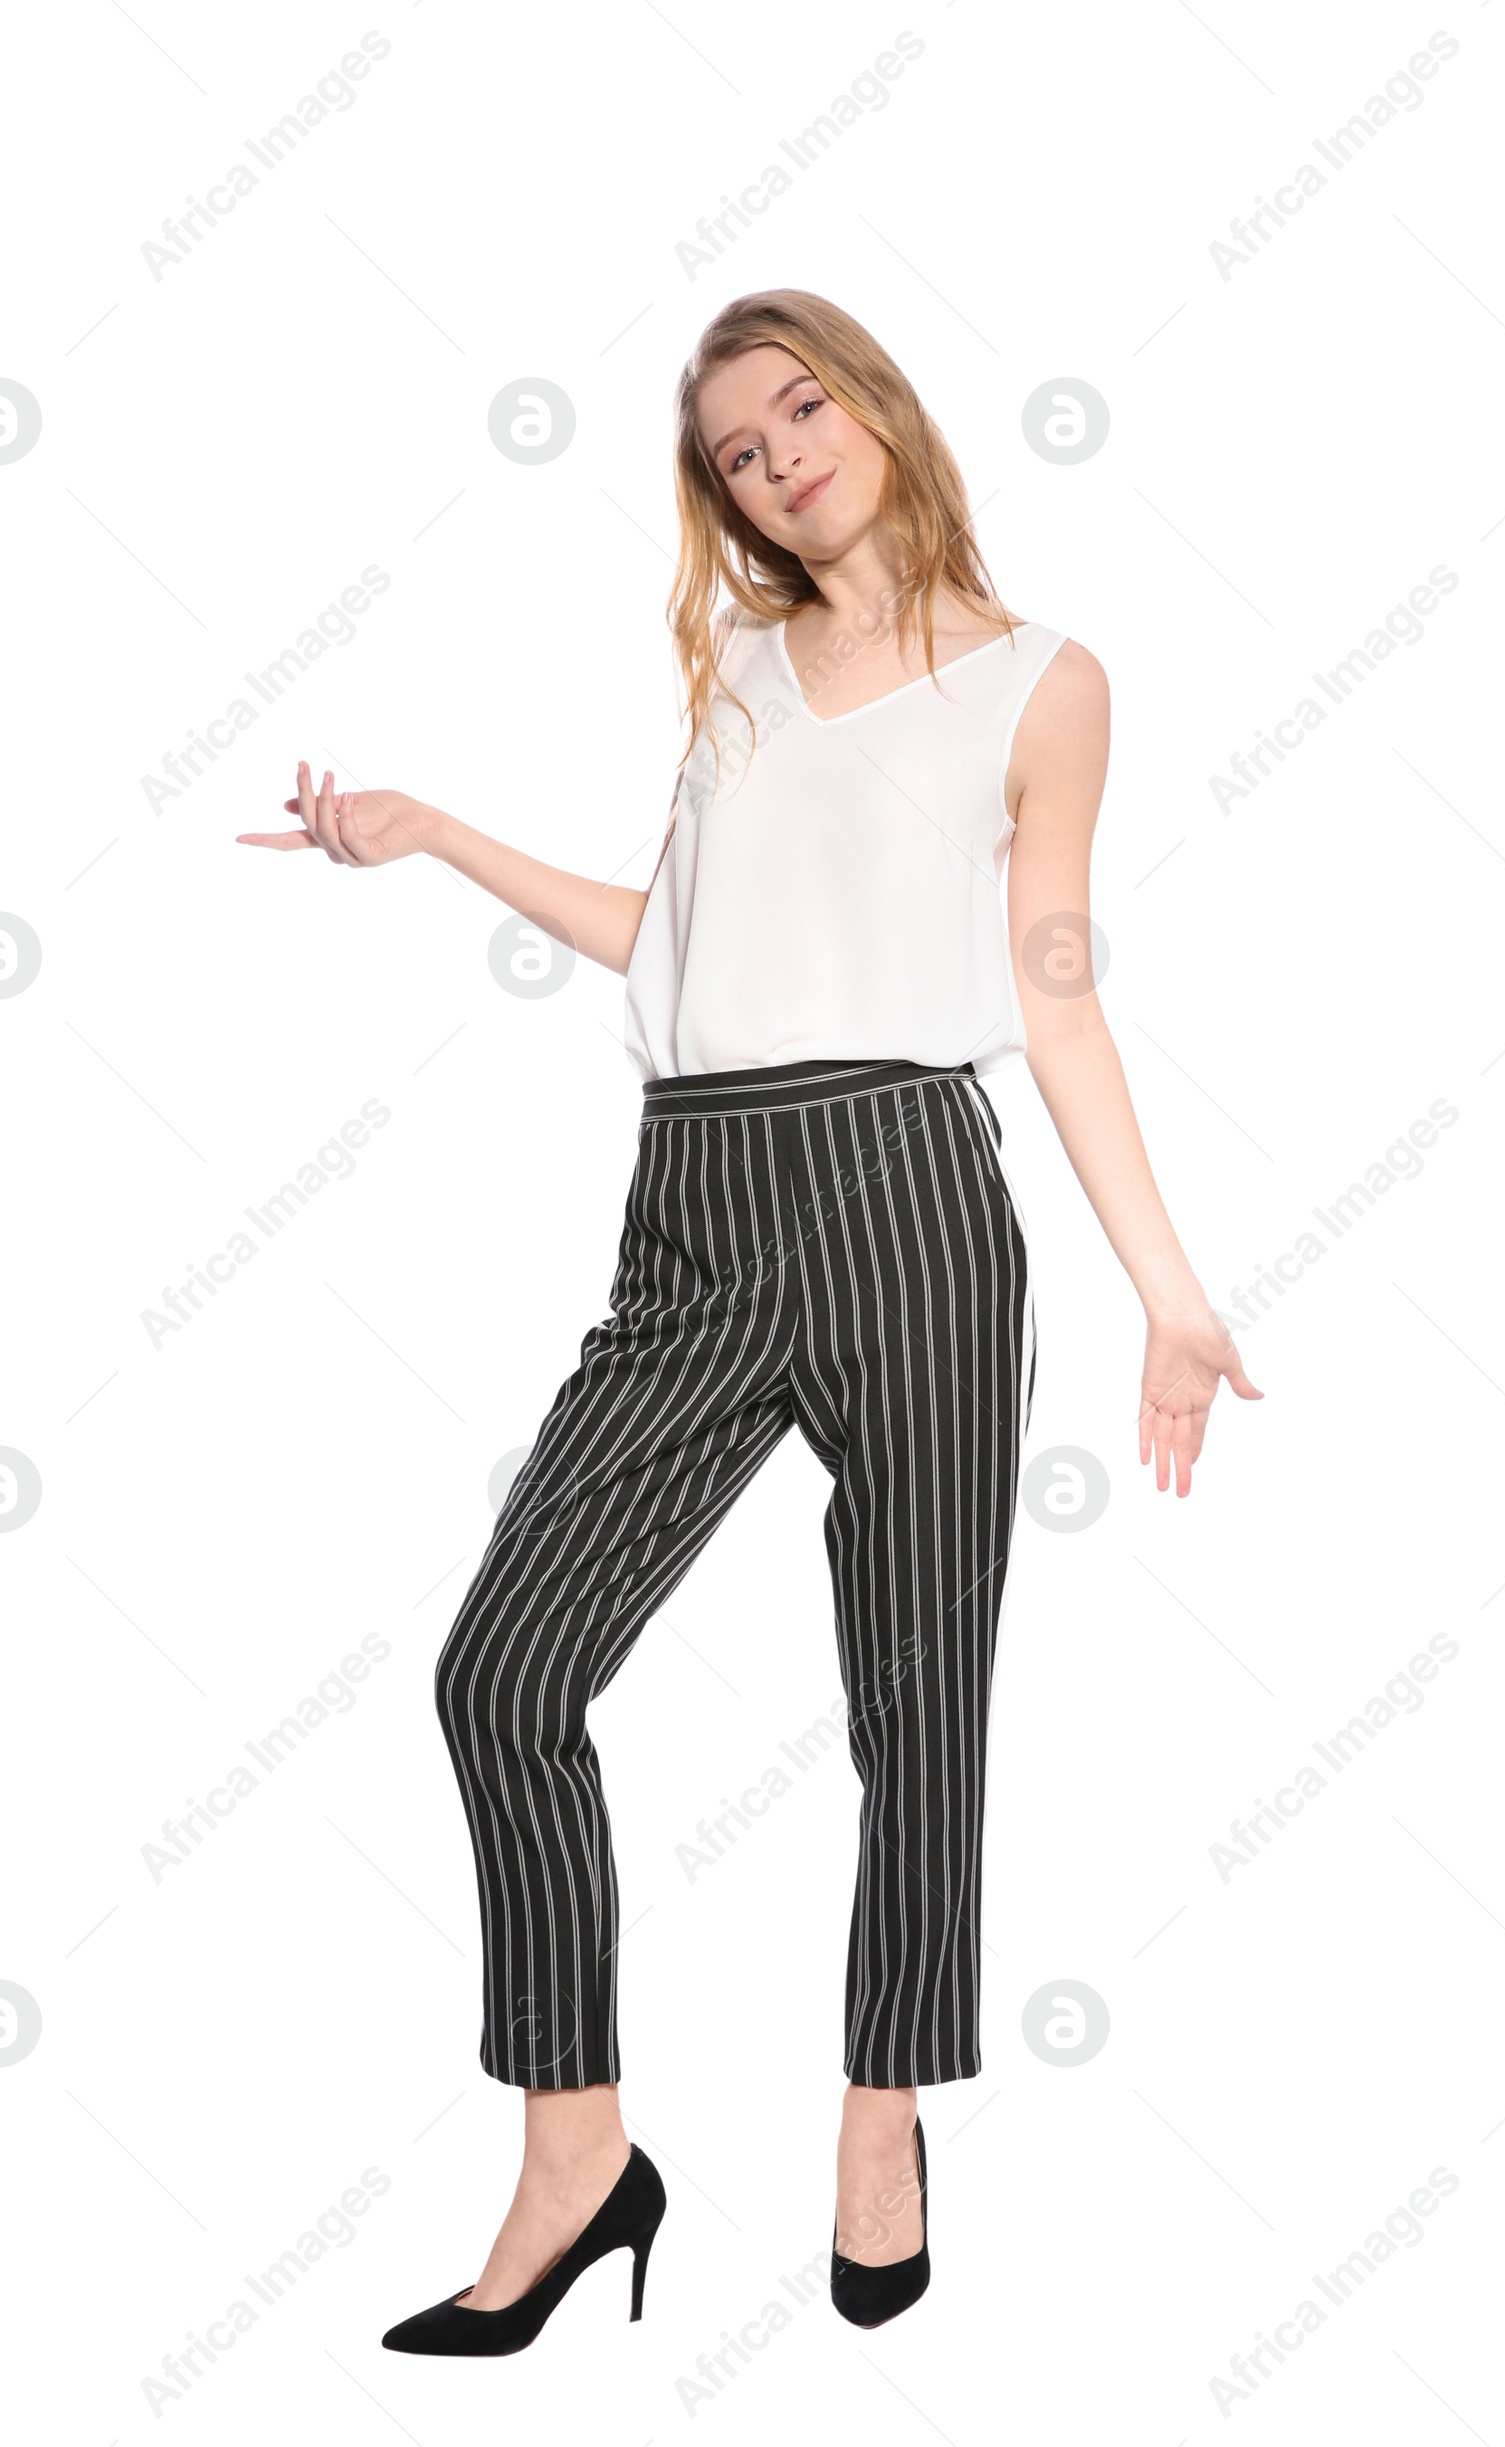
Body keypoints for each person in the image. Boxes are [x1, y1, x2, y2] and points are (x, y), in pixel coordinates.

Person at [239, 287, 1262, 2357]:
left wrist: (1164, 1283)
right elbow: (678, 943)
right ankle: (575, 2149)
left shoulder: (1041, 684)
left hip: (908, 1201)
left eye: (798, 406)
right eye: (733, 447)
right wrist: (431, 834)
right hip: (693, 1204)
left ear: (874, 406)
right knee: (502, 1673)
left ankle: (878, 2113)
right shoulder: (730, 670)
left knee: (913, 1708)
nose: (775, 454)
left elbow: (1046, 982)